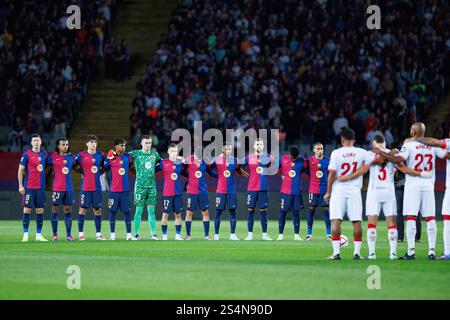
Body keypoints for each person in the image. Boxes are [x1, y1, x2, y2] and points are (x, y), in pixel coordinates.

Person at [338, 134, 428, 259]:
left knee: (371, 224)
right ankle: (393, 253)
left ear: (374, 144)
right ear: (385, 143)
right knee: (391, 224)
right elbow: (405, 169)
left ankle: (372, 253)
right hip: (389, 192)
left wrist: (347, 177)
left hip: (374, 193)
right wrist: (420, 173)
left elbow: (367, 167)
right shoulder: (393, 155)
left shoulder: (370, 153)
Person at [373, 122, 448, 260]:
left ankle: (411, 252)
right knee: (430, 218)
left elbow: (397, 159)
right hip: (428, 184)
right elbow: (446, 155)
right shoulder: (432, 145)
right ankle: (431, 252)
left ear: (413, 132)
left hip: (413, 185)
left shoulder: (409, 145)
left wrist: (381, 152)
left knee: (411, 217)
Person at [324, 127, 375, 260]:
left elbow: (332, 174)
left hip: (339, 190)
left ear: (342, 140)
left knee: (336, 220)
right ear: (354, 140)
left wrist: (328, 192)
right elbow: (372, 161)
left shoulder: (336, 153)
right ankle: (357, 253)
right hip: (354, 190)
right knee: (357, 222)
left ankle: (336, 253)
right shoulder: (362, 152)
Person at [411, 131, 450, 260]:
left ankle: (448, 253)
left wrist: (416, 139)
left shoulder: (448, 143)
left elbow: (435, 142)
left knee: (447, 219)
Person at [210, 144, 248, 240]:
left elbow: (239, 169)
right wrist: (217, 175)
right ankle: (216, 235)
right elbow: (208, 169)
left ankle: (232, 234)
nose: (229, 150)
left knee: (232, 211)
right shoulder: (217, 160)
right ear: (223, 149)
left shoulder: (235, 160)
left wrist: (244, 174)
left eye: (230, 149)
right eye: (227, 149)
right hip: (220, 190)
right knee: (218, 212)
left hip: (231, 191)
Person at [127, 135, 161, 240]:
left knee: (151, 211)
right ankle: (136, 234)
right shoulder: (135, 153)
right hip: (140, 187)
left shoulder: (155, 154)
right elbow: (122, 156)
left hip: (152, 187)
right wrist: (113, 153)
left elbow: (162, 163)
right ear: (141, 143)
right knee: (139, 211)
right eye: (146, 143)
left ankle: (153, 234)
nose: (148, 145)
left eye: (150, 143)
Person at [241, 138, 275, 241]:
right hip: (252, 188)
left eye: (261, 144)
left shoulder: (268, 157)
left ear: (263, 146)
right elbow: (238, 166)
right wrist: (245, 174)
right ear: (254, 146)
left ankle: (264, 235)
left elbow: (274, 165)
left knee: (263, 211)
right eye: (257, 144)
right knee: (250, 210)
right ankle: (250, 235)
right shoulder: (249, 158)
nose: (259, 146)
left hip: (263, 188)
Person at [46, 138, 80, 241]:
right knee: (55, 210)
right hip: (57, 188)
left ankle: (69, 235)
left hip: (69, 189)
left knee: (68, 210)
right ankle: (55, 235)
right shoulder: (52, 157)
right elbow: (42, 166)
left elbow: (78, 168)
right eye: (63, 144)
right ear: (58, 146)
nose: (65, 146)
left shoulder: (71, 158)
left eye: (66, 144)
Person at [17, 134, 48, 242]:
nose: (36, 142)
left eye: (37, 140)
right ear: (31, 143)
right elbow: (20, 170)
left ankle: (38, 235)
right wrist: (20, 185)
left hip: (40, 187)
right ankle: (25, 235)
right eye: (34, 140)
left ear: (41, 142)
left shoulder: (44, 154)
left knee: (40, 210)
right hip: (29, 187)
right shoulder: (26, 154)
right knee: (27, 210)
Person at [75, 135, 106, 241]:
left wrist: (99, 173)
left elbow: (104, 167)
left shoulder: (101, 155)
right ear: (87, 144)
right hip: (85, 187)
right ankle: (81, 234)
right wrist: (82, 171)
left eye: (95, 142)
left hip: (97, 187)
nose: (93, 144)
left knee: (97, 210)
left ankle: (98, 234)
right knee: (82, 209)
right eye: (91, 142)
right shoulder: (81, 155)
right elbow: (73, 165)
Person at [104, 138, 134, 240]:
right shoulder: (110, 157)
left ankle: (129, 235)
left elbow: (133, 167)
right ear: (116, 146)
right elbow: (103, 167)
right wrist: (108, 157)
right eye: (122, 145)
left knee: (127, 212)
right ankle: (112, 235)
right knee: (112, 212)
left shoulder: (128, 157)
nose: (124, 147)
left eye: (125, 145)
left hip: (125, 190)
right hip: (114, 190)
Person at [183, 147, 216, 240]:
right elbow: (183, 171)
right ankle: (188, 235)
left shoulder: (205, 161)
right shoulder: (188, 160)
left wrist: (220, 176)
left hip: (203, 191)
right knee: (189, 212)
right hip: (191, 191)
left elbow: (210, 173)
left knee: (205, 212)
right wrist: (189, 176)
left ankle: (206, 235)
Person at [277, 147, 307, 241]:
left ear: (298, 156)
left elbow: (309, 170)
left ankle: (296, 235)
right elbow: (273, 168)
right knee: (283, 212)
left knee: (296, 213)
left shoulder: (302, 161)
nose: (293, 158)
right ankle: (280, 234)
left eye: (295, 157)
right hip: (285, 192)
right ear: (289, 154)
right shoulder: (282, 159)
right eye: (291, 156)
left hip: (296, 192)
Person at [156, 143, 184, 240]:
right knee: (165, 214)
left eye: (176, 151)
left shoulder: (181, 163)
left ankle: (177, 235)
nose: (174, 153)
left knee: (178, 214)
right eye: (172, 151)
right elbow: (152, 169)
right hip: (167, 193)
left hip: (178, 193)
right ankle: (164, 235)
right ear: (168, 152)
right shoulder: (163, 163)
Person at [306, 142, 331, 240]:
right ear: (314, 150)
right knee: (311, 210)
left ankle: (328, 235)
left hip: (324, 190)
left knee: (326, 211)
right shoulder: (309, 161)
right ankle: (309, 234)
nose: (320, 150)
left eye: (322, 148)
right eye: (318, 148)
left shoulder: (328, 161)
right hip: (313, 190)